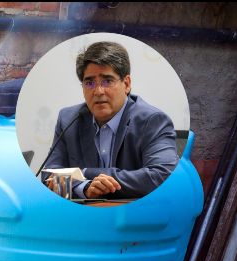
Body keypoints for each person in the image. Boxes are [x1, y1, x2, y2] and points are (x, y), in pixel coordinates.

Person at [42, 41, 178, 200]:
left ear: (126, 84)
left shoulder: (152, 121)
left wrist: (86, 173)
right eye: (89, 83)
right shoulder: (69, 119)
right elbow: (49, 176)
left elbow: (162, 177)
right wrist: (84, 187)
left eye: (107, 81)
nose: (98, 91)